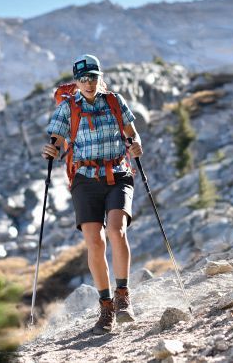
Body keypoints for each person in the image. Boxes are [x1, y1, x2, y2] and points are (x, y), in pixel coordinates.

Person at [41, 54, 143, 335]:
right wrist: (51, 150)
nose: (88, 83)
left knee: (116, 230)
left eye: (93, 77)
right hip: (84, 180)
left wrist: (136, 147)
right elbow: (56, 142)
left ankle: (123, 297)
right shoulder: (67, 108)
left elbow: (133, 135)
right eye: (83, 79)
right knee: (95, 243)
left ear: (100, 77)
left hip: (118, 174)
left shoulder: (114, 101)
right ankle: (106, 306)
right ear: (75, 81)